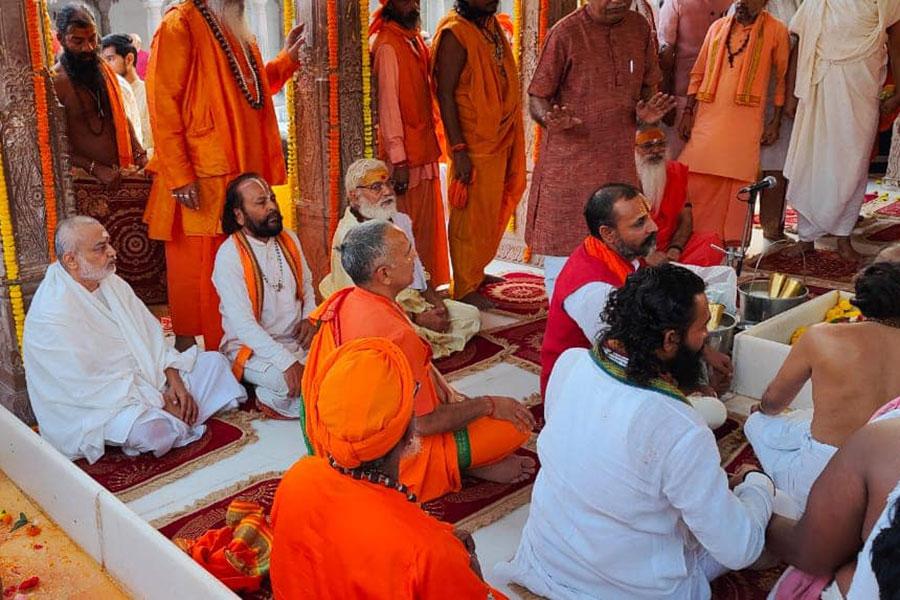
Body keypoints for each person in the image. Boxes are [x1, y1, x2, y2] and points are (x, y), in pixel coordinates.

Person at [497, 265, 775, 599]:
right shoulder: (680, 427)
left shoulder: (571, 364)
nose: (706, 339)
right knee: (759, 533)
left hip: (549, 560)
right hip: (631, 589)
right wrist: (758, 487)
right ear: (671, 339)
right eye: (702, 329)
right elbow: (738, 550)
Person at [304, 220, 536, 502]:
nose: (414, 257)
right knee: (514, 427)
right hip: (386, 455)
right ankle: (459, 464)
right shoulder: (396, 336)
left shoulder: (347, 299)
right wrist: (490, 404)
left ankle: (468, 456)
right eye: (406, 253)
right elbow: (423, 425)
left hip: (332, 437)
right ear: (384, 273)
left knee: (462, 404)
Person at [270, 338, 508, 599]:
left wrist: (444, 547)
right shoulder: (426, 552)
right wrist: (469, 571)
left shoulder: (299, 476)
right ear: (407, 432)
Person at [143, 0, 305, 351]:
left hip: (240, 173)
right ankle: (202, 364)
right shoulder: (179, 24)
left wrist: (286, 62)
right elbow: (162, 101)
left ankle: (241, 352)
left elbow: (253, 89)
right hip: (201, 180)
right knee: (200, 283)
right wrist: (180, 174)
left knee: (239, 272)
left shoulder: (235, 28)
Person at [23, 216, 246, 464]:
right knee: (152, 431)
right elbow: (85, 388)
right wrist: (158, 402)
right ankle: (178, 416)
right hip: (103, 407)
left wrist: (175, 384)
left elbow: (154, 340)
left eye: (108, 243)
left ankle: (179, 414)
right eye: (100, 248)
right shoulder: (52, 313)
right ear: (71, 260)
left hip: (150, 384)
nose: (112, 252)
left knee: (215, 362)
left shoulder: (111, 283)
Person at [524, 0, 673, 298]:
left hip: (618, 163)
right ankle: (561, 322)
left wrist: (645, 115)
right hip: (570, 167)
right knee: (565, 252)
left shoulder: (639, 28)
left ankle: (609, 321)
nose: (618, 1)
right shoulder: (565, 33)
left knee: (619, 249)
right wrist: (551, 118)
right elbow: (537, 97)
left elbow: (648, 87)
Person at [541, 183, 735, 399]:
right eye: (639, 223)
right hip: (579, 390)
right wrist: (689, 390)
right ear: (608, 234)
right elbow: (630, 355)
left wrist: (705, 352)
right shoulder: (591, 290)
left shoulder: (620, 253)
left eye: (648, 217)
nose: (653, 227)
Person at [745, 262, 900, 512]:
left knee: (757, 423)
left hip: (820, 479)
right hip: (887, 480)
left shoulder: (821, 337)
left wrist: (760, 408)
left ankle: (763, 485)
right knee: (802, 420)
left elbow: (773, 403)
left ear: (859, 301)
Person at [320, 159, 480, 358]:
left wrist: (436, 303)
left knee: (470, 316)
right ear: (354, 196)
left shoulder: (395, 220)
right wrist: (417, 319)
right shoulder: (349, 238)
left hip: (411, 302)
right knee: (395, 337)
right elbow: (364, 303)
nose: (387, 191)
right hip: (377, 314)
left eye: (388, 184)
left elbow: (418, 268)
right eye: (376, 187)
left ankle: (420, 344)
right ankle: (416, 344)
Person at [783, 1, 900, 262]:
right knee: (812, 157)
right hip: (819, 82)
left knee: (853, 160)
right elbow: (802, 42)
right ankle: (806, 237)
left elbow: (895, 44)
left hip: (862, 85)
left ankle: (843, 237)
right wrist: (791, 95)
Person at [433, 0, 526, 309]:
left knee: (493, 209)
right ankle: (462, 287)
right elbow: (444, 93)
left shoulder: (489, 26)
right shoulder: (454, 33)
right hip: (472, 144)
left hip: (500, 137)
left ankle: (476, 271)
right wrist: (458, 150)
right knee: (469, 216)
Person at [678, 0, 790, 245]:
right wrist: (688, 111)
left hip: (746, 121)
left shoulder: (776, 30)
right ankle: (695, 240)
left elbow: (782, 78)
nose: (741, 2)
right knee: (697, 175)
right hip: (709, 117)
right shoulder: (717, 27)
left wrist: (775, 123)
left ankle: (732, 245)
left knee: (738, 184)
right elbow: (698, 71)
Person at [211, 174, 316, 420]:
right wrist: (286, 362)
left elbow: (308, 285)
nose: (271, 207)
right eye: (260, 203)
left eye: (271, 199)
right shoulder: (229, 256)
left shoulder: (289, 238)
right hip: (252, 350)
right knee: (290, 383)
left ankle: (299, 394)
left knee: (340, 364)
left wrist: (310, 319)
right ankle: (267, 396)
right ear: (239, 215)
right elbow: (245, 327)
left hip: (296, 341)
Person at [766, 411, 900, 599]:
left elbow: (812, 555)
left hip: (819, 468)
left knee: (754, 425)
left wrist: (757, 514)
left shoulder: (885, 439)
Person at [370, 0, 450, 288]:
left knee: (427, 232)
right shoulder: (388, 46)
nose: (413, 4)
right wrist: (398, 160)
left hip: (424, 150)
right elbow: (388, 107)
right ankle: (410, 296)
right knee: (407, 233)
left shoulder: (413, 40)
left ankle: (428, 291)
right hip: (405, 160)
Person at [52, 4, 147, 190]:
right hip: (85, 183)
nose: (88, 48)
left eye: (92, 39)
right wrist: (94, 168)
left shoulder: (101, 70)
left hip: (122, 173)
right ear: (61, 39)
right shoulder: (55, 83)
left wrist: (140, 153)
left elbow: (118, 115)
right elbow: (54, 144)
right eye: (77, 41)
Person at [635, 125, 724, 266]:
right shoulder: (626, 176)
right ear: (634, 149)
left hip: (669, 245)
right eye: (648, 146)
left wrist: (675, 248)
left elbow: (686, 217)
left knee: (711, 242)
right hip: (637, 249)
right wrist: (647, 253)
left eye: (661, 144)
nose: (656, 150)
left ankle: (675, 273)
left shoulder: (675, 172)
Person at [658, 0, 734, 158]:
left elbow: (665, 52)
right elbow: (666, 55)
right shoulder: (677, 3)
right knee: (680, 159)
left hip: (716, 96)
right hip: (684, 95)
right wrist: (667, 100)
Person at [756, 0, 801, 242]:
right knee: (749, 165)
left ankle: (773, 226)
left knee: (777, 162)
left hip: (784, 92)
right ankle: (736, 232)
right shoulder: (743, 7)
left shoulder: (793, 4)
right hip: (751, 95)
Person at [101, 33, 153, 153]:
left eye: (110, 59)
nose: (105, 68)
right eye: (102, 62)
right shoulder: (109, 96)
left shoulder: (149, 95)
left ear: (129, 59)